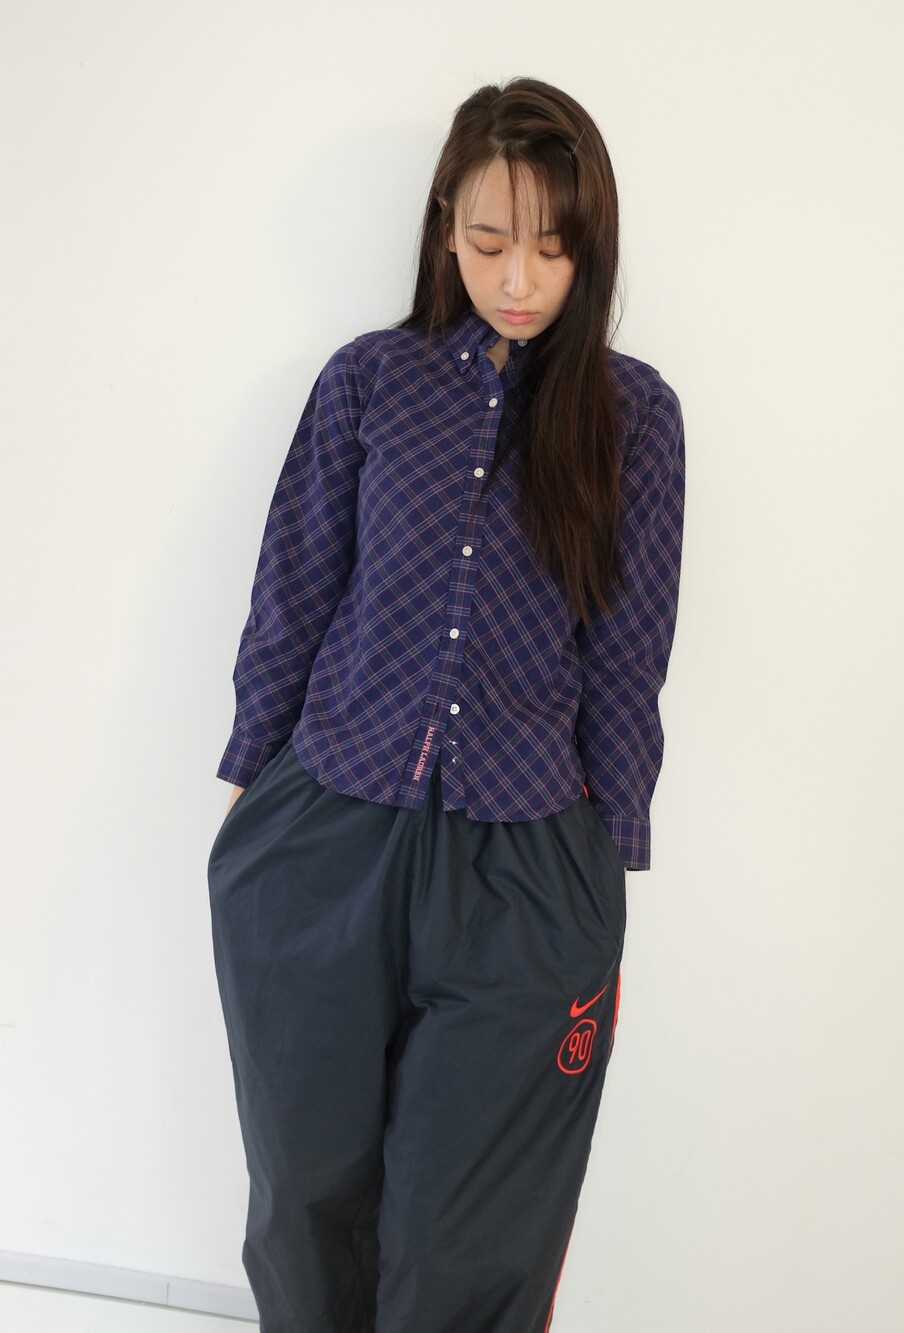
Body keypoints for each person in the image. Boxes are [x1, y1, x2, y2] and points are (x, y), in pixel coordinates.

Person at [207, 76, 685, 1333]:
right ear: (443, 229)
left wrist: (603, 863)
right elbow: (293, 587)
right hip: (326, 829)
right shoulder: (368, 382)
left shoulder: (635, 417)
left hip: (525, 857)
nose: (517, 278)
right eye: (487, 240)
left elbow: (629, 655)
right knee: (305, 1194)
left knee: (467, 1228)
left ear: (591, 246)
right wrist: (252, 792)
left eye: (551, 247)